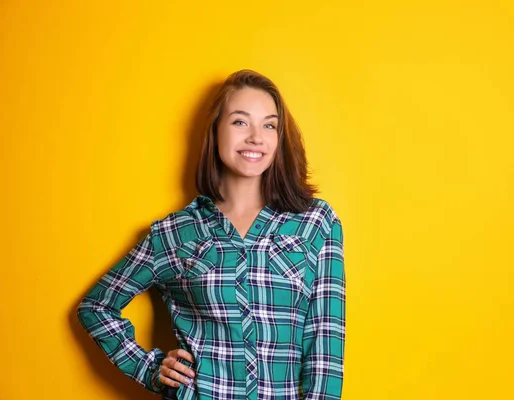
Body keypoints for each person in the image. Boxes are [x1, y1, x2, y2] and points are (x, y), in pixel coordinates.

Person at [77, 69, 346, 400]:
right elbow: (96, 306)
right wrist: (148, 369)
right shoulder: (175, 233)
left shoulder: (316, 223)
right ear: (215, 130)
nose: (256, 137)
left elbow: (326, 344)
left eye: (269, 125)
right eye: (239, 122)